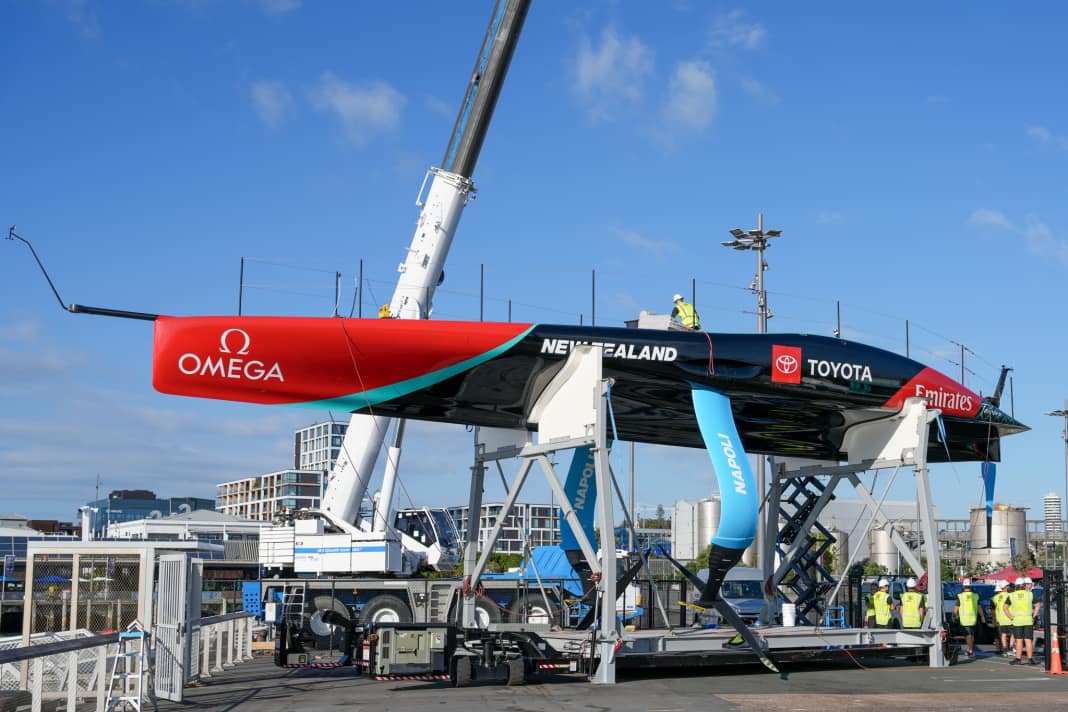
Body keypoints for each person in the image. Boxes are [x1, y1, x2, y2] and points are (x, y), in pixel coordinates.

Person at [1005, 576, 1041, 665]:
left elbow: (1005, 607)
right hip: (1028, 620)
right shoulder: (1030, 594)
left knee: (1019, 640)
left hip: (1017, 621)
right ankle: (1030, 659)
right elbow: (1038, 605)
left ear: (1016, 586)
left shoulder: (1012, 595)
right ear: (1024, 585)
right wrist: (1034, 615)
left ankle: (1018, 659)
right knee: (1028, 640)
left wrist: (1010, 617)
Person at [953, 578, 985, 658]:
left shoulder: (960, 596)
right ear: (970, 586)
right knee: (971, 635)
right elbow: (979, 607)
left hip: (964, 620)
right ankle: (969, 649)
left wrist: (954, 615)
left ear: (963, 587)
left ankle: (970, 650)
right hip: (973, 619)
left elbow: (956, 607)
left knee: (968, 635)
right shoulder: (975, 595)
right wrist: (982, 617)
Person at [992, 580, 1013, 655]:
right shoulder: (1010, 595)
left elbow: (993, 610)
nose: (1009, 587)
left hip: (1000, 619)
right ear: (1005, 587)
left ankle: (1004, 649)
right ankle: (1010, 648)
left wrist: (994, 620)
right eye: (1008, 586)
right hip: (1009, 617)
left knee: (1003, 634)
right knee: (1013, 633)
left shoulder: (995, 597)